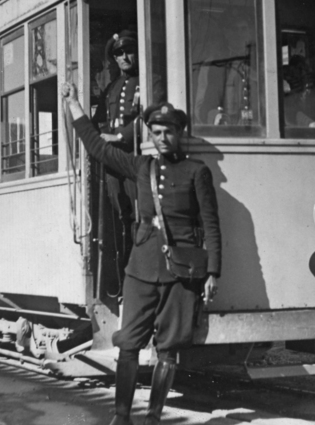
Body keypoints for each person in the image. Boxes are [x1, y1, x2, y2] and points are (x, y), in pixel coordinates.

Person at [62, 82, 220, 425]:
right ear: (151, 134)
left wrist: (213, 273)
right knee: (129, 343)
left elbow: (211, 225)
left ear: (181, 133)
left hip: (182, 272)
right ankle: (121, 416)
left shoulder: (197, 172)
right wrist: (75, 106)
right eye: (158, 132)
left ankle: (152, 417)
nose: (164, 138)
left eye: (170, 131)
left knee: (168, 348)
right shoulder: (142, 167)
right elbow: (98, 149)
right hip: (142, 268)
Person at [91, 31, 141, 279]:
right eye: (118, 53)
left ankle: (135, 275)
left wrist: (120, 137)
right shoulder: (112, 87)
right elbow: (99, 120)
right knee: (119, 217)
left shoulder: (147, 82)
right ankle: (122, 276)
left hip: (133, 157)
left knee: (136, 217)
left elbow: (148, 117)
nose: (124, 57)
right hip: (112, 163)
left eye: (128, 51)